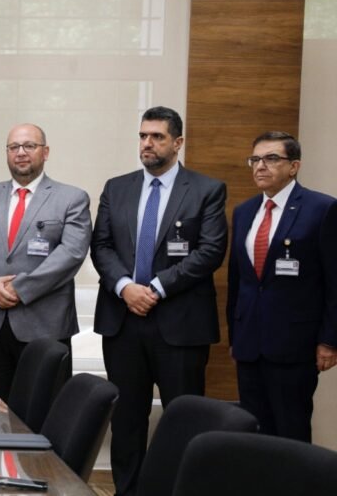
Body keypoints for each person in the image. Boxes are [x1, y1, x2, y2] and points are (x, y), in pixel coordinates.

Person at [91, 106, 227, 496]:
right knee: (126, 421)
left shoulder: (206, 189)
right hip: (123, 322)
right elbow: (101, 246)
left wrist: (154, 288)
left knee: (184, 420)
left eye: (157, 137)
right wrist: (124, 287)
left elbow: (210, 251)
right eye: (142, 136)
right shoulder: (117, 187)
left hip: (180, 324)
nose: (147, 143)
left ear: (178, 142)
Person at [0, 123, 91, 398]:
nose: (20, 152)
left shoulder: (72, 198)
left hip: (45, 327)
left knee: (43, 412)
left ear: (45, 152)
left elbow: (71, 254)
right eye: (14, 147)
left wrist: (19, 289)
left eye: (29, 146)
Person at [227, 131, 337, 442]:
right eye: (255, 159)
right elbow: (238, 281)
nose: (260, 166)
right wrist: (236, 336)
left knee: (291, 433)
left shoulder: (322, 209)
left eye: (271, 158)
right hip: (249, 345)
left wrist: (330, 341)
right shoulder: (244, 211)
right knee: (254, 433)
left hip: (294, 345)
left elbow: (334, 280)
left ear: (294, 166)